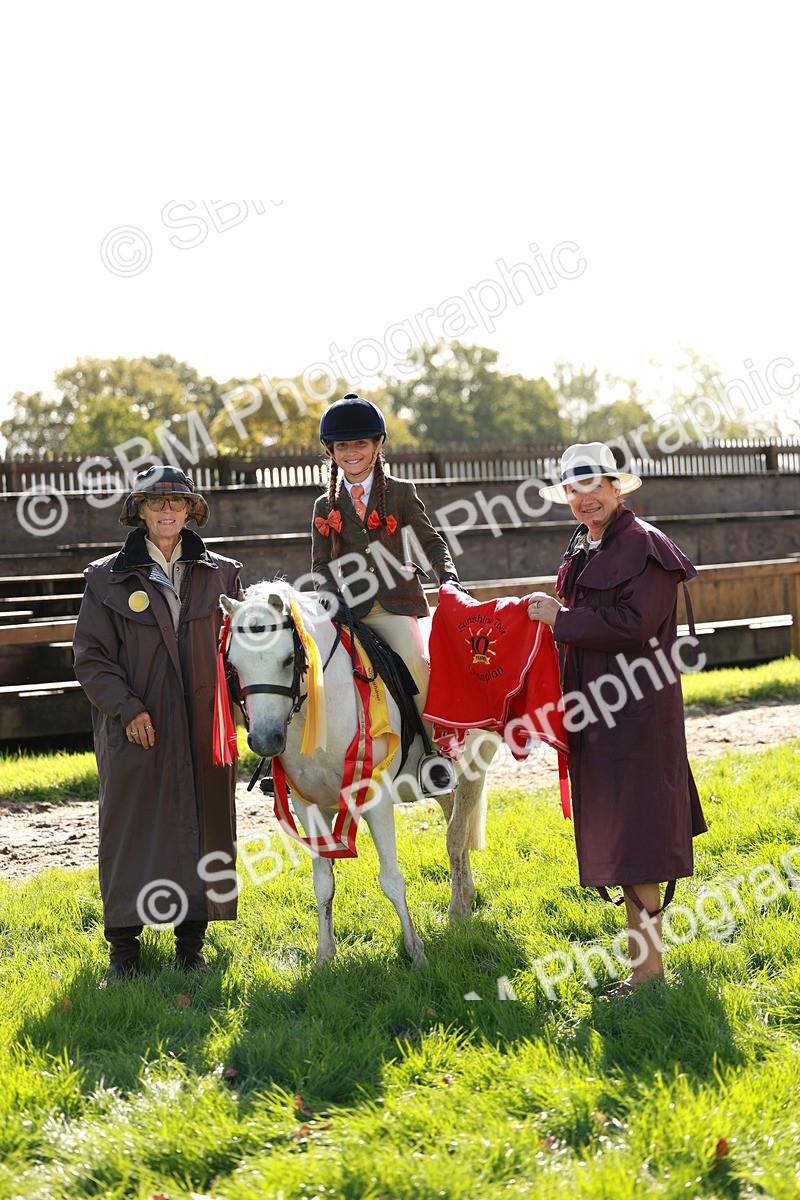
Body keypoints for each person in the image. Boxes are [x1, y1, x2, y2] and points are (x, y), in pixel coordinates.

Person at [530, 442, 707, 992]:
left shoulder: (645, 546)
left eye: (594, 488)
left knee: (639, 841)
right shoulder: (586, 546)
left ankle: (648, 974)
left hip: (637, 717)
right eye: (574, 491)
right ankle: (642, 968)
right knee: (625, 837)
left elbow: (635, 625)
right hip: (597, 714)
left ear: (615, 488)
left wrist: (561, 620)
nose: (585, 500)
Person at [73, 466, 243, 982]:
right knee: (131, 831)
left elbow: (240, 651)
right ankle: (124, 951)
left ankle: (192, 946)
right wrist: (128, 709)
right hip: (137, 729)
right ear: (140, 511)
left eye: (176, 501)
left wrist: (247, 709)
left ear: (191, 510)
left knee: (205, 828)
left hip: (204, 726)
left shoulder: (223, 574)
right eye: (155, 502)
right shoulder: (106, 578)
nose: (167, 510)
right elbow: (92, 658)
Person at [311, 392, 461, 794]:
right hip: (347, 611)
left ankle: (436, 754)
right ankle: (311, 761)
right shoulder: (324, 505)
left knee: (413, 660)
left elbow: (431, 542)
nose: (351, 453)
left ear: (377, 445)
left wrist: (447, 577)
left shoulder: (400, 491)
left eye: (360, 444)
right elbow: (320, 565)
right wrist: (330, 598)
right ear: (331, 451)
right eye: (342, 446)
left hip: (393, 607)